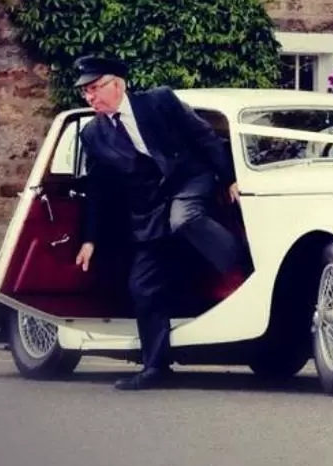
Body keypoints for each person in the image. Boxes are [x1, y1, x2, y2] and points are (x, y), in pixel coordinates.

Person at [70, 52, 245, 390]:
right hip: (148, 211)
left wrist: (229, 179)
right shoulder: (93, 134)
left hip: (190, 182)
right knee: (143, 287)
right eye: (85, 92)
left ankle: (241, 265)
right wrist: (90, 239)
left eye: (94, 88)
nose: (89, 96)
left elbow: (205, 137)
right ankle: (155, 367)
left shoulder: (159, 101)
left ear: (117, 84)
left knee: (185, 219)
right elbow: (97, 189)